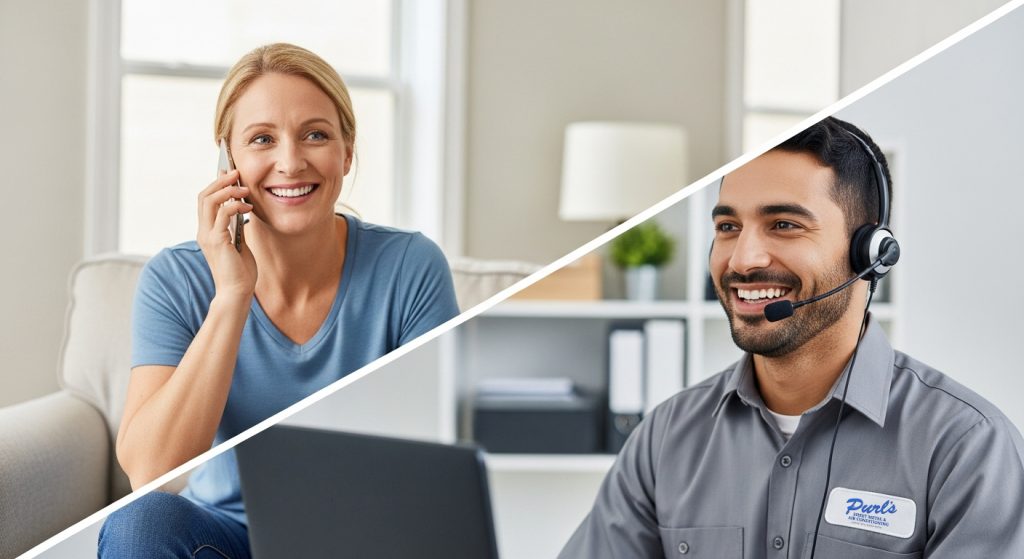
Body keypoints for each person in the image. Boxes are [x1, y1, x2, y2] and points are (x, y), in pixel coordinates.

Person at [559, 117, 1024, 558]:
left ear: (870, 253)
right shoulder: (667, 437)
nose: (743, 260)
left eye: (784, 224)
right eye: (728, 227)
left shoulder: (965, 447)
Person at [98, 43, 460, 558]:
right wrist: (231, 295)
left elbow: (441, 453)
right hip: (230, 540)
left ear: (347, 151)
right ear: (230, 159)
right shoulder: (176, 278)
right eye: (262, 139)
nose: (290, 163)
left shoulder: (410, 267)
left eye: (315, 134)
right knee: (142, 525)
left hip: (368, 535)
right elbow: (151, 472)